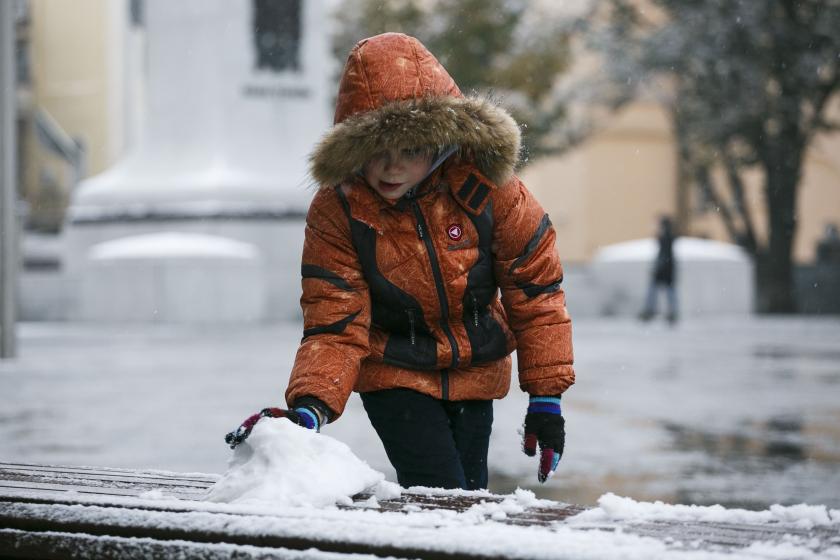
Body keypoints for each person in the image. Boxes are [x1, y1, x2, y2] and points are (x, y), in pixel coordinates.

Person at [225, 33, 575, 490]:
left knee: (469, 495)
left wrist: (546, 399)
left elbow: (537, 291)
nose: (392, 169)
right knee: (440, 491)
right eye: (377, 154)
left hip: (475, 373)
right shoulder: (341, 210)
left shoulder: (488, 189)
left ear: (441, 141)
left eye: (410, 151)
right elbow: (335, 318)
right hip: (393, 371)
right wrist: (311, 405)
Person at [639, 216, 678, 323]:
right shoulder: (669, 237)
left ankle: (651, 311)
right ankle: (670, 313)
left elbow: (664, 255)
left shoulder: (666, 238)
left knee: (657, 292)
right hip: (667, 270)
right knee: (669, 293)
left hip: (664, 270)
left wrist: (657, 268)